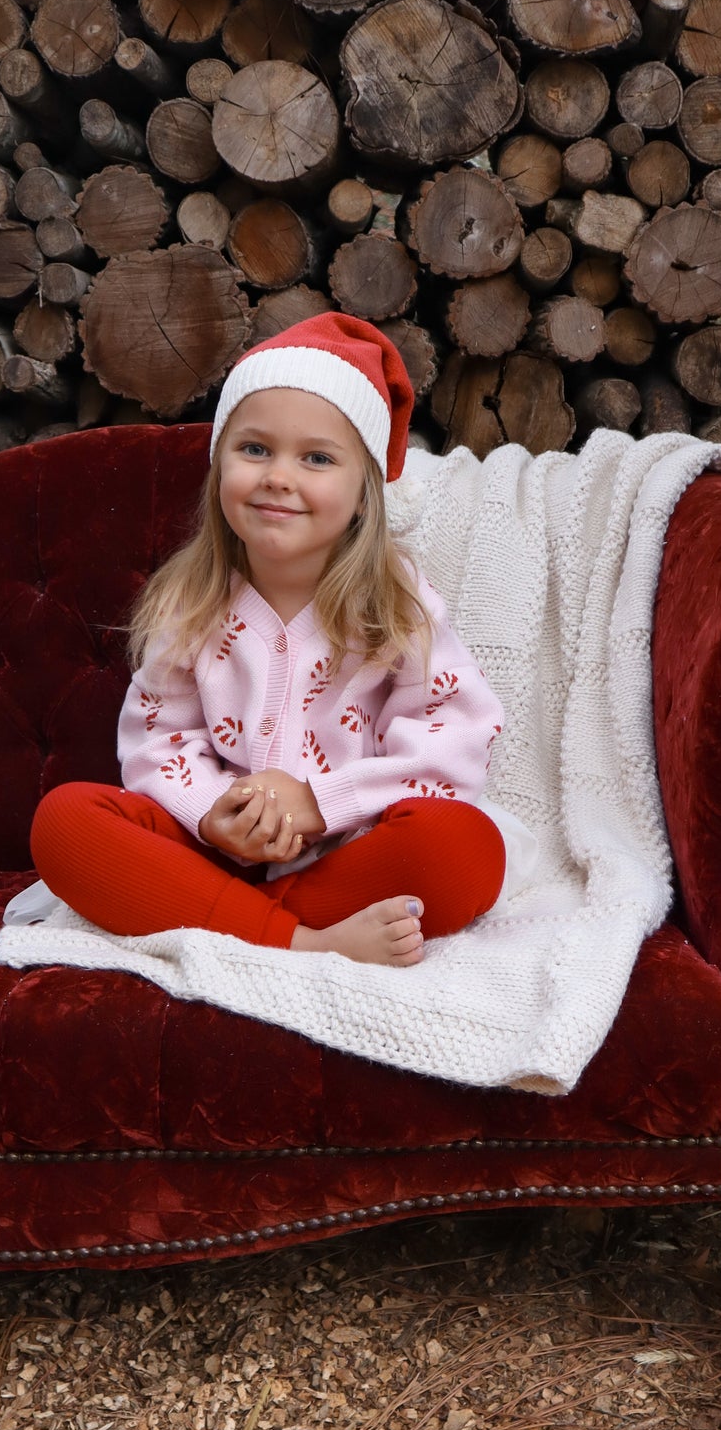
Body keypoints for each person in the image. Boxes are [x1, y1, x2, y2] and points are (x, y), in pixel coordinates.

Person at [29, 313, 508, 967]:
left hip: (347, 854)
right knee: (65, 823)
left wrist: (317, 804)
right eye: (254, 449)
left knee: (466, 847)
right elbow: (157, 736)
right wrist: (211, 813)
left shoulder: (398, 605)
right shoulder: (192, 601)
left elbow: (448, 736)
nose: (278, 476)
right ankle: (298, 941)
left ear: (363, 494)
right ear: (218, 462)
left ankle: (225, 922)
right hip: (211, 853)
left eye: (316, 457)